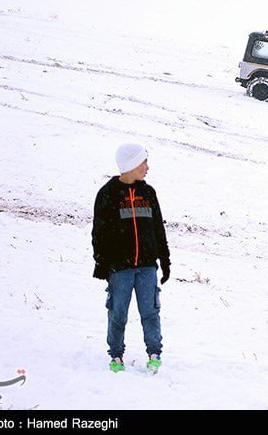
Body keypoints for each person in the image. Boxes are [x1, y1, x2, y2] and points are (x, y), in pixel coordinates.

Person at [92, 142, 171, 373]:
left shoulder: (148, 192)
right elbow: (99, 232)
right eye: (144, 162)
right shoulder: (107, 194)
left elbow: (158, 228)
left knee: (150, 311)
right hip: (120, 268)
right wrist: (102, 262)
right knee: (118, 313)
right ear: (132, 164)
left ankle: (154, 352)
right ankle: (116, 355)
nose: (147, 167)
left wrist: (164, 261)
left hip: (147, 266)